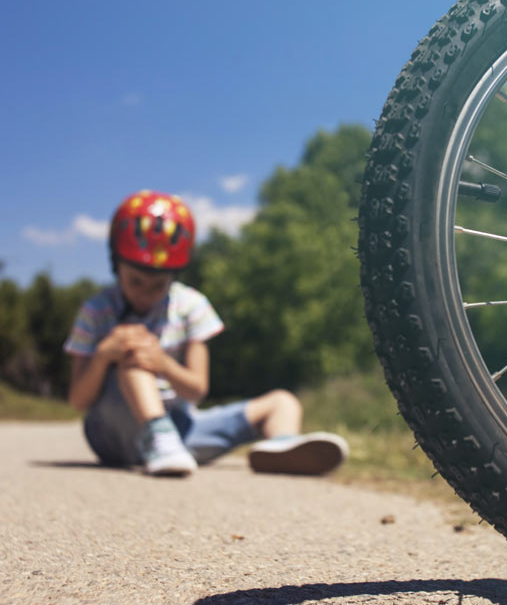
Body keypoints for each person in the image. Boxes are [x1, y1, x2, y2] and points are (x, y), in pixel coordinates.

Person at [63, 189, 348, 477]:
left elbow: (197, 389)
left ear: (175, 275)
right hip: (112, 433)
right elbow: (78, 401)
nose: (145, 293)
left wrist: (163, 364)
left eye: (158, 285)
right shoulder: (95, 310)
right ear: (116, 264)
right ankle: (157, 437)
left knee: (283, 401)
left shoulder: (191, 305)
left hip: (180, 430)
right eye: (135, 281)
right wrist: (103, 356)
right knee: (134, 359)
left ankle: (281, 447)